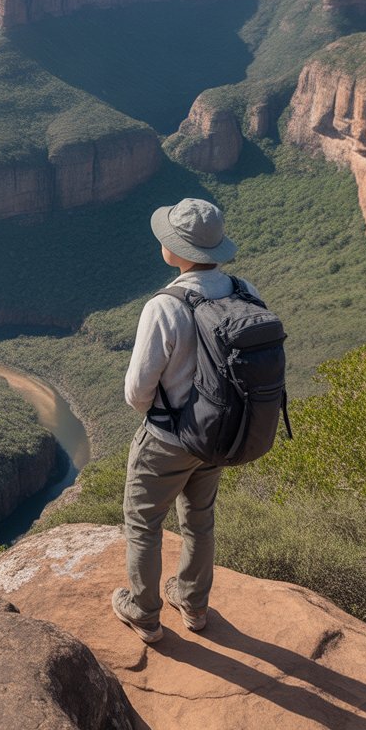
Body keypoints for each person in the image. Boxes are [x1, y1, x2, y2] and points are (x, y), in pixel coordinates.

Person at [112, 198, 259, 644]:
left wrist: (161, 419)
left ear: (176, 250)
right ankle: (194, 605)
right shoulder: (244, 289)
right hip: (219, 434)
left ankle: (144, 613)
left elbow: (137, 390)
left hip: (168, 438)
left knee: (143, 524)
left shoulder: (165, 305)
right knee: (199, 519)